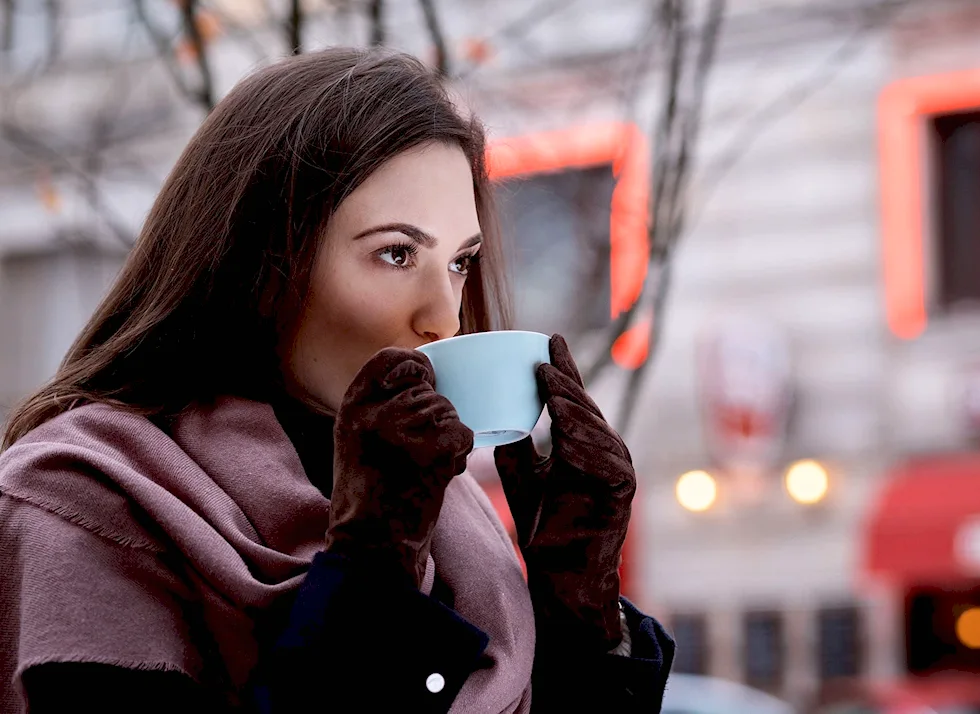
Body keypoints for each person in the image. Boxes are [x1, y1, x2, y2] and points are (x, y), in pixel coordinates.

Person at [0, 47, 674, 713]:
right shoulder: (85, 497)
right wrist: (375, 565)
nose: (445, 318)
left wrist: (579, 604)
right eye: (396, 252)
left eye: (460, 263)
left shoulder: (453, 522)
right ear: (261, 263)